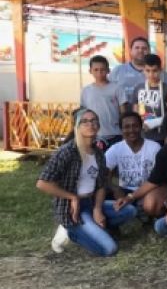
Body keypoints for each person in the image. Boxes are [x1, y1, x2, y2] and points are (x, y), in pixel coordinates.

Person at [38, 108, 138, 256]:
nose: (90, 124)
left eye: (93, 121)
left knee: (130, 210)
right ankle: (72, 232)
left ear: (98, 125)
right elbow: (42, 183)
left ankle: (95, 226)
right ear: (77, 126)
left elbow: (101, 185)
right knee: (110, 249)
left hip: (91, 203)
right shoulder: (67, 152)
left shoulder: (98, 153)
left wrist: (97, 209)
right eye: (84, 121)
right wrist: (72, 197)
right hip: (73, 209)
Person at [105, 112, 161, 205]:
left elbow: (158, 178)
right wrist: (115, 190)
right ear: (121, 130)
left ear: (141, 126)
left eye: (135, 126)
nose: (131, 130)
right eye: (126, 127)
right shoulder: (115, 149)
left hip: (147, 190)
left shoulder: (154, 147)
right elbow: (104, 174)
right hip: (124, 190)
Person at [80, 55, 127, 149]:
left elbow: (124, 113)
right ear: (90, 71)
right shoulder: (86, 91)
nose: (99, 73)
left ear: (108, 70)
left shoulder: (117, 88)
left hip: (114, 135)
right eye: (96, 70)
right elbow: (82, 114)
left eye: (102, 69)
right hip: (93, 136)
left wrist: (124, 133)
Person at [110, 36, 167, 103]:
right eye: (137, 48)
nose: (140, 51)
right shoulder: (118, 71)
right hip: (122, 113)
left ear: (149, 51)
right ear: (130, 50)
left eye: (144, 48)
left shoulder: (162, 74)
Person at [129, 53, 167, 143]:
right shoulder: (138, 88)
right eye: (148, 71)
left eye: (155, 71)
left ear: (160, 70)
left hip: (161, 137)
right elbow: (135, 111)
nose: (151, 74)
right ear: (143, 70)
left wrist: (157, 122)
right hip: (142, 136)